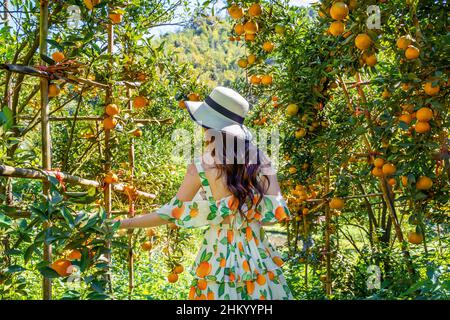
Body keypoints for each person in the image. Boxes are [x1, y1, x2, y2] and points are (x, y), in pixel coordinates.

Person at [118, 86, 293, 300]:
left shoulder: (202, 164)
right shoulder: (261, 159)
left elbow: (170, 213)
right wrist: (245, 210)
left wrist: (123, 223)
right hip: (256, 254)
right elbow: (272, 218)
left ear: (208, 126)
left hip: (218, 256)